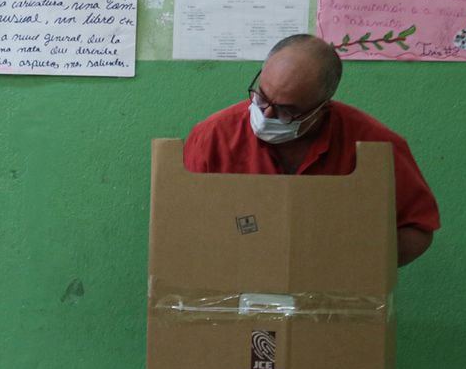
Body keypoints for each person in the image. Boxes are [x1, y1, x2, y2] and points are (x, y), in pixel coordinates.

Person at [184, 34, 440, 266]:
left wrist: (347, 264)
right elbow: (182, 223)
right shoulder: (213, 136)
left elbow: (416, 229)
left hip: (334, 296)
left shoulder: (375, 146)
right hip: (235, 289)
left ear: (323, 108)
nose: (266, 114)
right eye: (261, 96)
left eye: (287, 110)